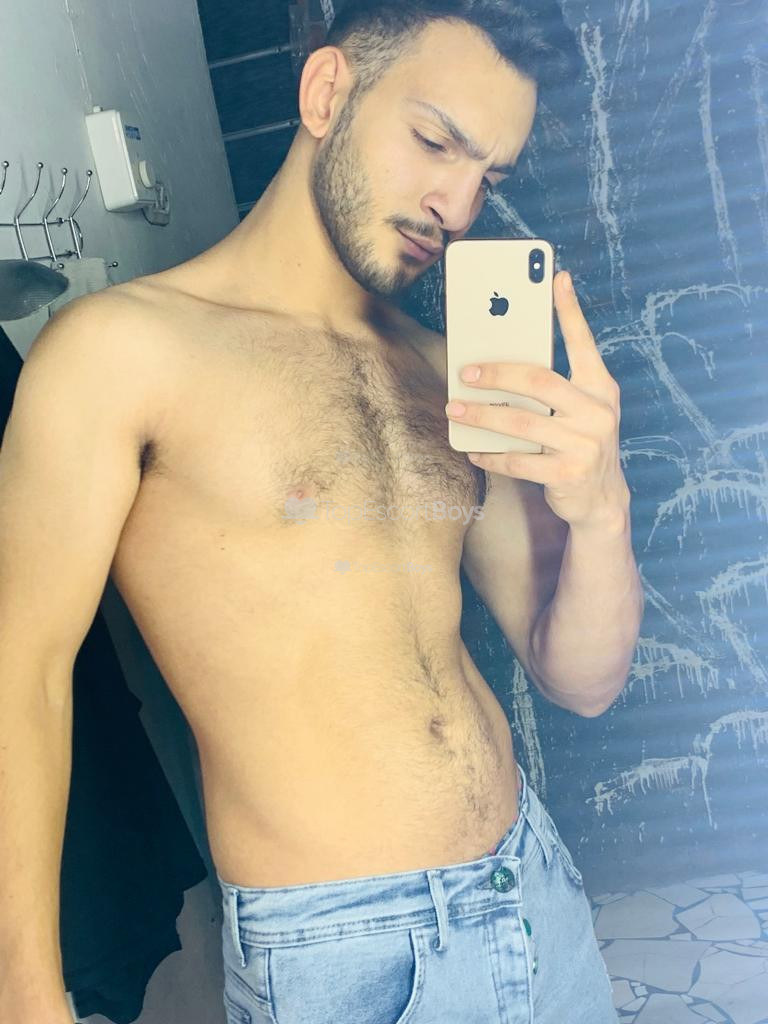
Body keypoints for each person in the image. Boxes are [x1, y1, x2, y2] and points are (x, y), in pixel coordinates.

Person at [0, 1, 644, 1021]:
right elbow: (22, 678)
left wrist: (601, 506)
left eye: (489, 178)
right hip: (345, 954)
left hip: (532, 890)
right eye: (435, 141)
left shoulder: (447, 373)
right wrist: (25, 997)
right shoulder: (118, 353)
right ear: (326, 90)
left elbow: (581, 679)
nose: (457, 206)